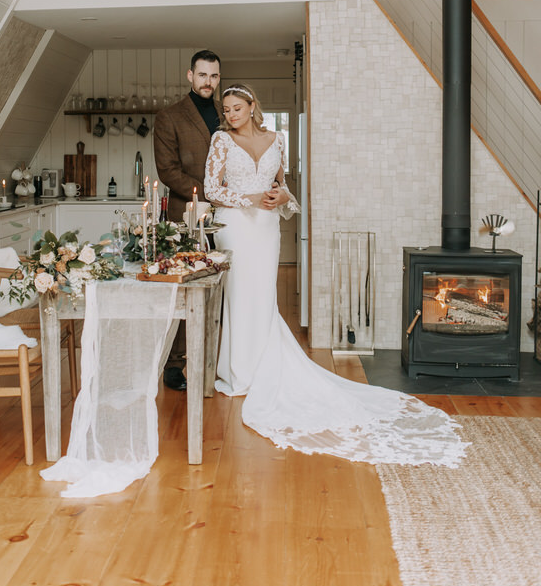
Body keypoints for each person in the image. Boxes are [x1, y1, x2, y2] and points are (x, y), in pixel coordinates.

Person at [204, 83, 468, 466]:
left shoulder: (276, 139)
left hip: (266, 228)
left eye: (236, 108)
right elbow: (212, 189)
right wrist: (247, 198)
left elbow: (285, 189)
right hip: (236, 226)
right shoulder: (221, 142)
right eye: (225, 110)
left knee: (262, 295)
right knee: (240, 296)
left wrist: (282, 198)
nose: (231, 114)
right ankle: (239, 373)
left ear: (251, 106)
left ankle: (263, 368)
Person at [154, 49, 221, 390]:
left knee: (224, 285)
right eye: (203, 75)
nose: (208, 81)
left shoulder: (230, 111)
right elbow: (168, 171)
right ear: (190, 76)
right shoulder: (170, 116)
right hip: (187, 215)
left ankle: (219, 357)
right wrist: (210, 195)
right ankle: (175, 364)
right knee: (186, 287)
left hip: (231, 215)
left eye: (214, 76)